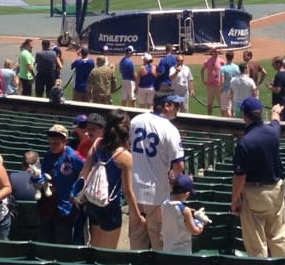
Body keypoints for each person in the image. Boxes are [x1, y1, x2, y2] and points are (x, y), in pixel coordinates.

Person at [231, 97, 285, 257]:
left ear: (245, 116)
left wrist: (235, 199)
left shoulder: (245, 143)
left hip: (254, 195)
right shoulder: (273, 133)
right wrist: (275, 112)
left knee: (257, 245)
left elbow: (240, 177)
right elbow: (276, 122)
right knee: (278, 237)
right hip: (276, 191)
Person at [128, 89, 186, 250]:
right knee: (160, 244)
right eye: (176, 104)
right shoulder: (170, 129)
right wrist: (173, 179)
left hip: (134, 193)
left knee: (137, 244)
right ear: (166, 105)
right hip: (158, 195)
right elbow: (179, 166)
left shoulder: (136, 120)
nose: (178, 107)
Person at [79, 109, 138, 249]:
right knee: (106, 254)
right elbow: (128, 191)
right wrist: (136, 215)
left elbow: (84, 172)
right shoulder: (125, 156)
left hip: (92, 203)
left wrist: (76, 195)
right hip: (110, 208)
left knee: (94, 248)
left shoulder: (98, 143)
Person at [38, 123, 85, 245]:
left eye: (56, 142)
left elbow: (86, 174)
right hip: (47, 207)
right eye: (50, 141)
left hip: (65, 209)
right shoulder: (48, 155)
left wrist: (77, 194)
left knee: (62, 243)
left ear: (65, 141)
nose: (52, 144)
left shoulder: (73, 157)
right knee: (46, 242)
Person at [160, 174, 205, 253]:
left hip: (167, 250)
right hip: (182, 253)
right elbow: (194, 231)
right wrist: (202, 222)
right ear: (186, 194)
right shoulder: (185, 211)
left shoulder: (163, 203)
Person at [200, 49, 225, 116]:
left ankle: (223, 119)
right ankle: (209, 117)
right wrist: (203, 80)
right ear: (212, 52)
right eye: (215, 52)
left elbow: (225, 71)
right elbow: (202, 70)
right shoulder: (208, 61)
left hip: (218, 85)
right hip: (210, 86)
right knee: (209, 104)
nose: (216, 53)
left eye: (217, 52)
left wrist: (223, 82)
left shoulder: (222, 61)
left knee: (221, 104)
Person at [269, 57, 285, 121]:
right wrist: (274, 83)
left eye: (273, 64)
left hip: (279, 103)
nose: (272, 66)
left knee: (278, 121)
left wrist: (269, 87)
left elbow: (277, 90)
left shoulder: (279, 75)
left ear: (278, 64)